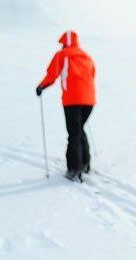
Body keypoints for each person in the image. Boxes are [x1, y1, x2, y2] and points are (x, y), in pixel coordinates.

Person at [36, 31, 96, 181]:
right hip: (89, 100)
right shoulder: (86, 56)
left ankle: (74, 169)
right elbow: (93, 74)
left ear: (64, 42)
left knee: (74, 133)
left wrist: (41, 86)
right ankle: (85, 164)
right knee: (79, 130)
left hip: (72, 100)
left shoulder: (62, 55)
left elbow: (52, 74)